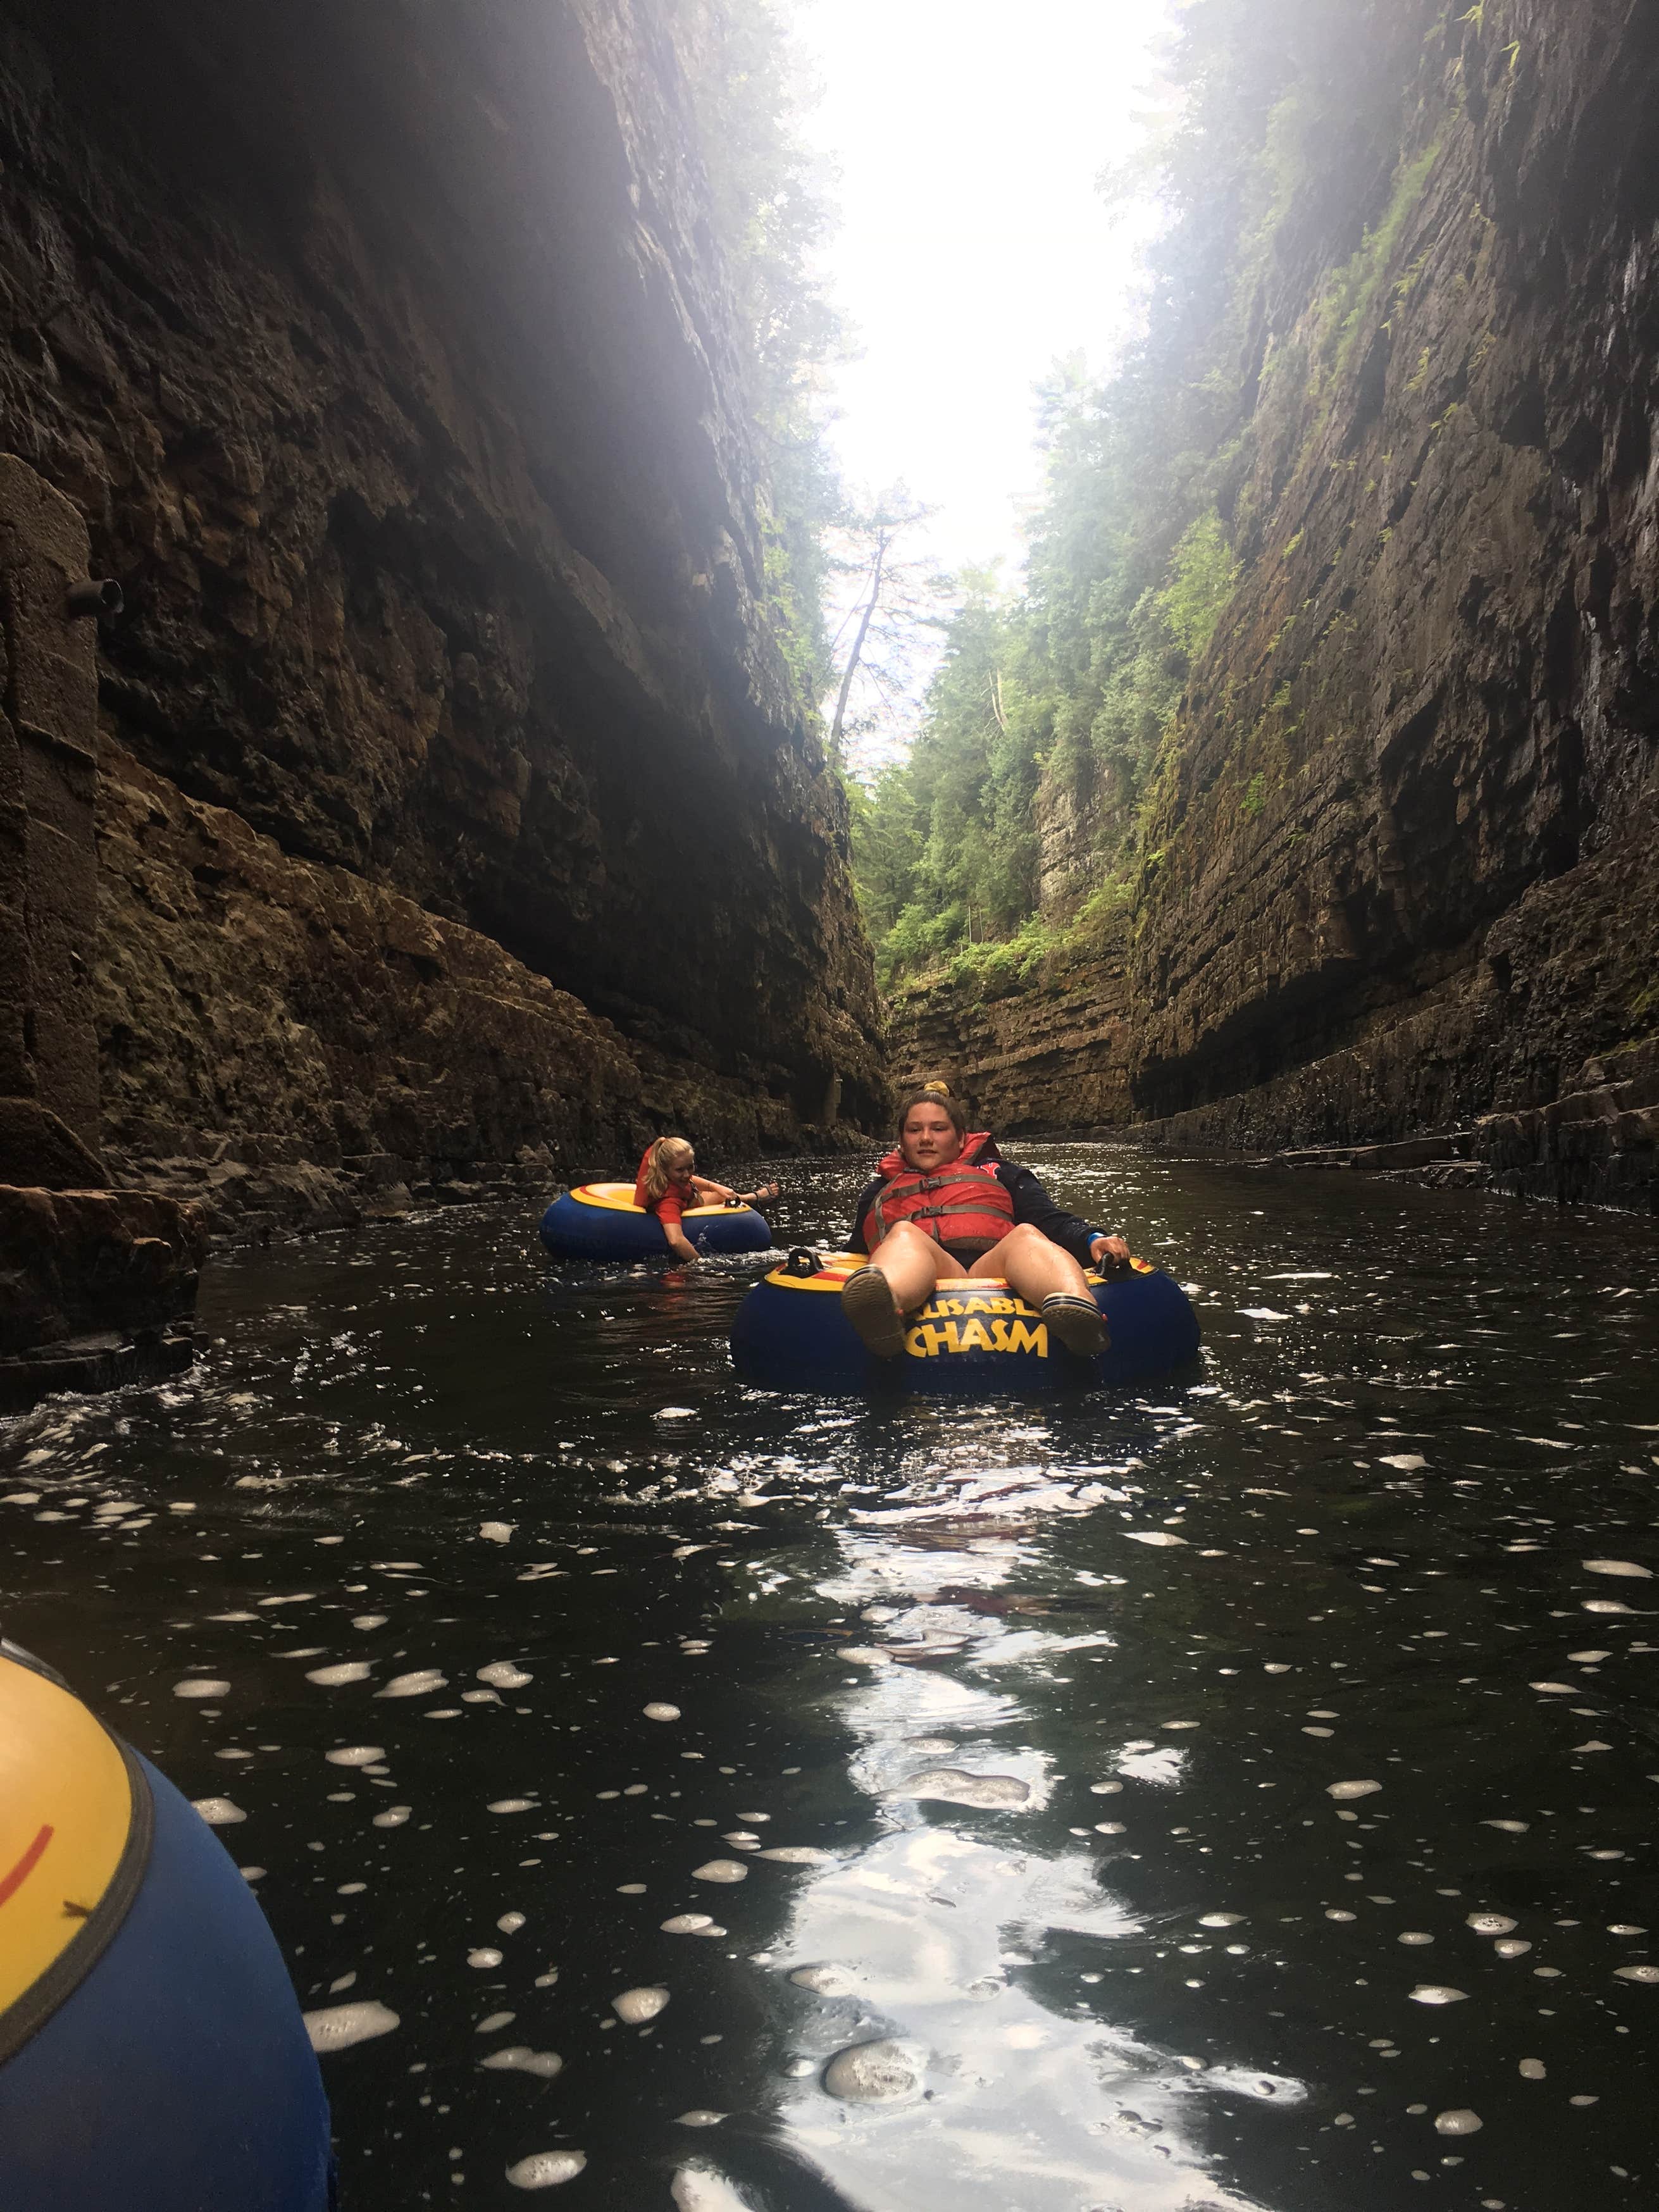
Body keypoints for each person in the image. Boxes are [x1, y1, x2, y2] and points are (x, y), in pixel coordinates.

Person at [840, 1085, 1131, 1358]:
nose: (926, 1138)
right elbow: (857, 1249)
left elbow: (1048, 1219)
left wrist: (1092, 1239)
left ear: (961, 1138)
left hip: (995, 1265)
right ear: (902, 1141)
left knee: (1027, 1234)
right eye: (914, 1130)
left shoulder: (1001, 1173)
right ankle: (884, 1309)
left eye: (939, 1129)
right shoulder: (880, 1190)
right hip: (923, 1267)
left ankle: (1078, 1308)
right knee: (904, 1232)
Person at [634, 1136, 780, 1265]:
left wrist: (716, 1187)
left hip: (686, 1196)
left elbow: (690, 1180)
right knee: (719, 1197)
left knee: (720, 1193)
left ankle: (750, 1198)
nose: (687, 1174)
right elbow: (675, 1240)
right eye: (680, 1170)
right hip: (679, 1204)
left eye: (690, 1167)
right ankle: (753, 1198)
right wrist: (701, 1263)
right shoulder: (669, 1202)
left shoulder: (667, 1167)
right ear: (665, 1170)